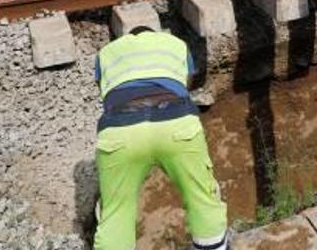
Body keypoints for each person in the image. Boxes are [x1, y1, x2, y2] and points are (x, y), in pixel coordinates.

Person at [93, 26, 229, 250]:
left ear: (126, 39)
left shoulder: (106, 53)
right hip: (175, 122)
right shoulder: (175, 44)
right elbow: (184, 84)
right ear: (154, 34)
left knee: (116, 212)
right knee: (202, 198)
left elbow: (106, 94)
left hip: (121, 130)